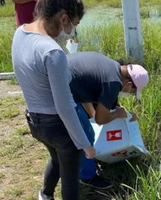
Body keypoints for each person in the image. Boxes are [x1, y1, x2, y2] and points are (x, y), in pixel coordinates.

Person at [11, 1, 96, 200]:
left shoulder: (20, 33)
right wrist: (85, 144)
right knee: (70, 177)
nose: (71, 31)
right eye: (73, 24)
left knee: (56, 161)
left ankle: (45, 195)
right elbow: (65, 106)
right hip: (58, 126)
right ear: (64, 18)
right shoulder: (52, 52)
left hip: (35, 121)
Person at [66, 52, 149, 189]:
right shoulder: (113, 82)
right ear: (128, 84)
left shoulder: (113, 67)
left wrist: (125, 115)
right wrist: (116, 114)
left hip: (65, 81)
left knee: (86, 125)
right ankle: (87, 177)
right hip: (60, 90)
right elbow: (100, 119)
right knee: (86, 135)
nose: (130, 94)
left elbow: (85, 93)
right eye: (132, 92)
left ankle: (83, 162)